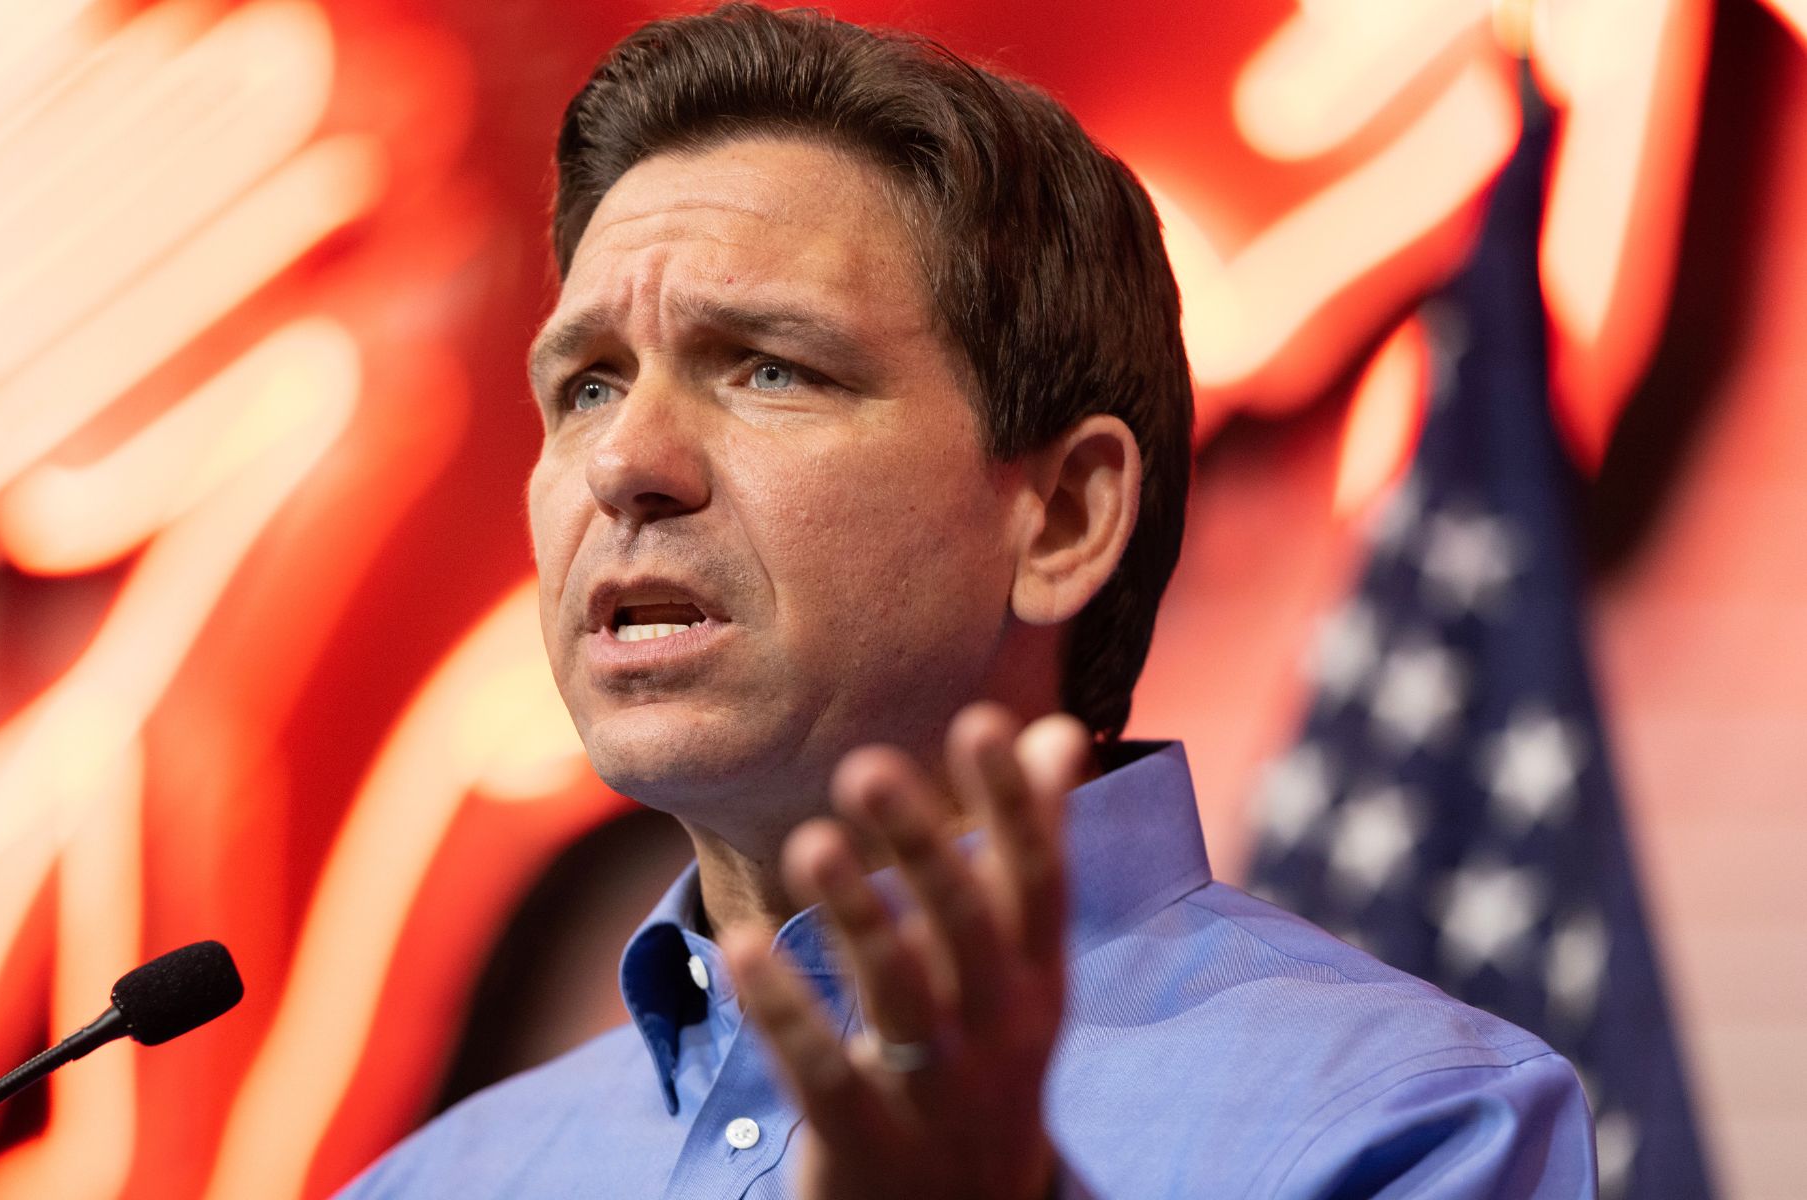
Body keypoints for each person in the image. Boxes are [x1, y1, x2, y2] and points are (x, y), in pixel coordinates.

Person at [337, 5, 1596, 1197]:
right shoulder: (433, 1181)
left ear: (1061, 517)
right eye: (589, 387)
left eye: (771, 367)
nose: (622, 465)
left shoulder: (1414, 1127)